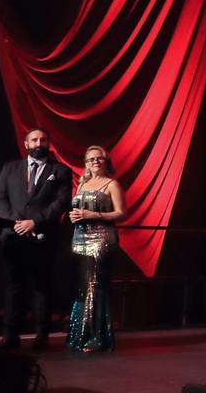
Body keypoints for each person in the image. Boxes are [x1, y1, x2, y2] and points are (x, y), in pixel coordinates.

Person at [0, 128, 72, 349]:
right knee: (13, 286)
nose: (39, 143)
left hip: (43, 236)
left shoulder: (60, 170)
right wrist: (16, 223)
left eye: (43, 139)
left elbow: (61, 202)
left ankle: (41, 335)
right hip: (12, 236)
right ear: (26, 144)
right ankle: (10, 335)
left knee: (41, 286)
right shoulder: (10, 169)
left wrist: (34, 222)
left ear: (48, 143)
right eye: (34, 139)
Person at [66, 145, 126, 353]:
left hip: (102, 239)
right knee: (83, 287)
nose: (95, 162)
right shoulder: (82, 184)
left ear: (106, 161)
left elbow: (121, 213)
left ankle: (96, 338)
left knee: (95, 285)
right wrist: (74, 216)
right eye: (91, 159)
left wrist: (93, 216)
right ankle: (79, 336)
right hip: (80, 238)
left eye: (99, 159)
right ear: (86, 164)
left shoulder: (112, 184)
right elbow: (78, 210)